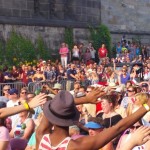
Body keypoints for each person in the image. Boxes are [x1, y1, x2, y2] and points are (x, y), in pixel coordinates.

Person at [36, 90, 150, 150]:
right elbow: (118, 128)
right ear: (73, 118)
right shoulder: (75, 146)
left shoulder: (40, 136)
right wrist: (146, 106)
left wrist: (84, 99)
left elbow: (55, 106)